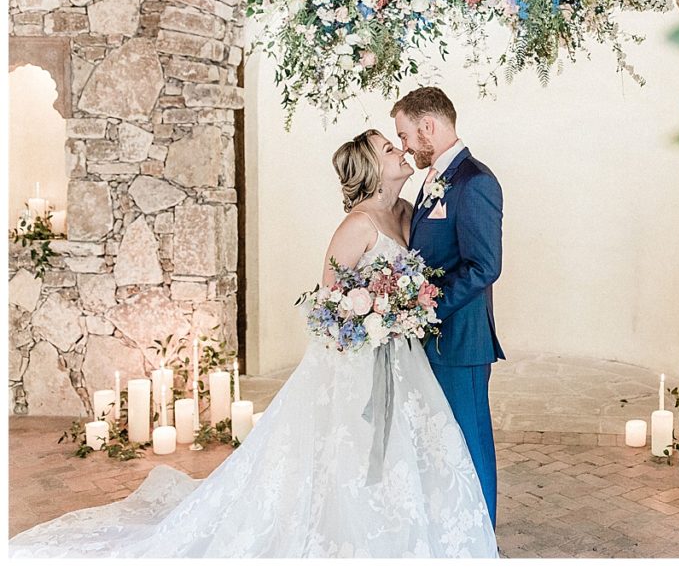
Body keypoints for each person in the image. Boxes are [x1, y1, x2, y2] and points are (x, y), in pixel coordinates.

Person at [8, 130, 498, 559]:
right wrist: (373, 314)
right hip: (357, 362)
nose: (401, 152)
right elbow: (329, 304)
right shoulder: (357, 225)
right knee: (351, 447)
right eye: (390, 148)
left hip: (403, 357)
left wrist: (400, 309)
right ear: (372, 168)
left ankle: (402, 526)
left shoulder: (409, 213)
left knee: (405, 445)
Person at [392, 87, 505, 529]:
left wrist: (427, 308)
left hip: (461, 340)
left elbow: (484, 266)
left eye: (405, 135)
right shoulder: (435, 179)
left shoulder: (475, 181)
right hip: (435, 341)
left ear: (428, 126)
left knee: (471, 444)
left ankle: (482, 541)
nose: (404, 146)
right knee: (445, 444)